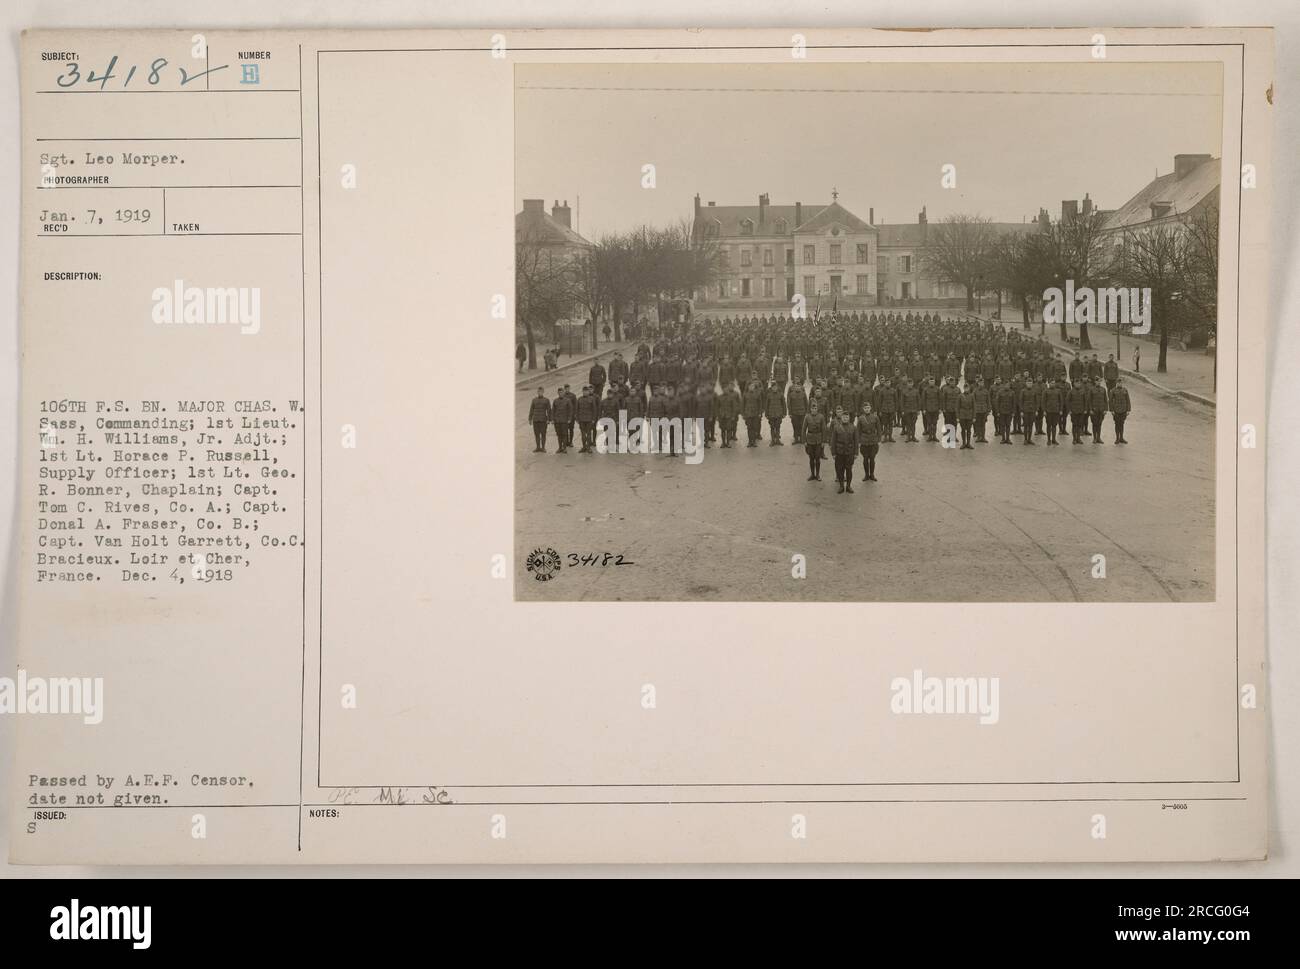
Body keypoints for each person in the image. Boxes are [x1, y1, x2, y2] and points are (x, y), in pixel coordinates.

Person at [830, 410, 860, 494]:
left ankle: (848, 486)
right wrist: (833, 453)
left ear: (849, 418)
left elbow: (856, 441)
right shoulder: (836, 427)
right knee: (840, 470)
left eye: (847, 417)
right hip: (839, 452)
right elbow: (833, 441)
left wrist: (856, 453)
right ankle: (841, 486)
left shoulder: (853, 427)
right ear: (841, 418)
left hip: (849, 452)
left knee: (849, 469)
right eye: (843, 417)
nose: (845, 418)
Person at [803, 402, 827, 481]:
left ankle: (817, 475)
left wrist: (823, 441)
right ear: (810, 409)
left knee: (817, 458)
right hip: (810, 440)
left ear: (817, 409)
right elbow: (803, 430)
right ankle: (812, 474)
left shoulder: (821, 417)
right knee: (811, 458)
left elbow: (824, 429)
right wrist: (804, 441)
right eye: (812, 408)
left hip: (818, 440)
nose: (814, 410)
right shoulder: (807, 417)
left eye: (815, 408)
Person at [857, 403, 881, 481]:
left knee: (872, 458)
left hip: (873, 440)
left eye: (868, 407)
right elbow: (858, 431)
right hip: (864, 440)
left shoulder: (875, 417)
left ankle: (872, 474)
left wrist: (879, 440)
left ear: (870, 408)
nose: (867, 409)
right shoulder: (860, 418)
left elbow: (879, 429)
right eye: (865, 408)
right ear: (863, 409)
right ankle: (866, 475)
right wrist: (859, 441)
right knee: (865, 458)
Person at [575, 384, 599, 453]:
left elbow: (594, 410)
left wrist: (594, 419)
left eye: (586, 391)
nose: (585, 392)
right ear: (582, 392)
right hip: (581, 419)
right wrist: (577, 418)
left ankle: (588, 447)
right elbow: (577, 409)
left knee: (588, 434)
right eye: (584, 391)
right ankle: (584, 447)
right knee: (583, 434)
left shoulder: (592, 399)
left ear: (588, 392)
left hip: (589, 419)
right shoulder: (579, 399)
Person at [742, 378, 765, 447]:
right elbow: (743, 405)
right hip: (748, 413)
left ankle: (754, 441)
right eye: (750, 386)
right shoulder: (745, 395)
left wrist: (760, 413)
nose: (751, 387)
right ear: (748, 387)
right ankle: (750, 441)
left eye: (752, 386)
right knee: (749, 428)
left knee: (755, 427)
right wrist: (743, 414)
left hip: (755, 413)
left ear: (754, 387)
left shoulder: (757, 394)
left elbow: (760, 404)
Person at [528, 387, 551, 452]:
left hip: (543, 420)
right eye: (538, 392)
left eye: (541, 391)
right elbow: (531, 410)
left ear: (543, 392)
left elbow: (549, 410)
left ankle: (543, 448)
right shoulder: (534, 400)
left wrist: (549, 419)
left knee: (543, 434)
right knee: (537, 434)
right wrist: (530, 419)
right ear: (537, 392)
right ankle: (538, 447)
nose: (540, 393)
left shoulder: (546, 400)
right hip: (535, 420)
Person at [1041, 378, 1063, 446]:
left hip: (1056, 411)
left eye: (1053, 383)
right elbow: (1043, 401)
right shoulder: (1046, 391)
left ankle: (1054, 439)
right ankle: (1048, 440)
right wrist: (1044, 410)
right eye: (1051, 383)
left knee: (1054, 426)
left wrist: (1061, 410)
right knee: (1048, 426)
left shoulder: (1058, 391)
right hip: (1048, 411)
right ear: (1049, 383)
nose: (1052, 384)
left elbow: (1061, 401)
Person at [552, 385, 574, 453]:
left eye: (561, 392)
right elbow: (553, 411)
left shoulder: (567, 400)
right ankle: (560, 447)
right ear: (558, 393)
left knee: (564, 434)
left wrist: (569, 418)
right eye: (559, 393)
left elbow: (570, 410)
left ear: (563, 393)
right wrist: (553, 419)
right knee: (559, 434)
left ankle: (564, 448)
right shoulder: (555, 401)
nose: (560, 394)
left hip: (564, 420)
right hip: (557, 421)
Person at [764, 379, 787, 445]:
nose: (774, 388)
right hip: (771, 414)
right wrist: (766, 414)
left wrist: (784, 413)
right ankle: (772, 440)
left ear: (777, 387)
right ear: (771, 388)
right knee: (772, 427)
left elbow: (784, 404)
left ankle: (777, 440)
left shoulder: (780, 394)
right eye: (773, 387)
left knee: (778, 427)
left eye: (775, 387)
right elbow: (766, 405)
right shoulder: (769, 395)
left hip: (779, 414)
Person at [1068, 379, 1089, 445]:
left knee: (1080, 425)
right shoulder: (1071, 392)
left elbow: (1085, 401)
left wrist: (1085, 409)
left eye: (1079, 383)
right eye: (1076, 383)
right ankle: (1074, 439)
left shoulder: (1083, 391)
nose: (1078, 384)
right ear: (1074, 384)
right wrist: (1069, 410)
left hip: (1081, 411)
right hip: (1074, 411)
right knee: (1074, 425)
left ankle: (1078, 438)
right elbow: (1067, 401)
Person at [1110, 377, 1132, 443]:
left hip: (1123, 410)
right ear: (1116, 383)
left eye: (1121, 383)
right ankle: (1117, 438)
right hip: (1116, 410)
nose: (1120, 384)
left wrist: (1128, 410)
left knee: (1122, 424)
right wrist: (1112, 410)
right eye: (1118, 383)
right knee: (1117, 424)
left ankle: (1121, 438)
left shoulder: (1125, 390)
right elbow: (1110, 401)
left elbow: (1128, 400)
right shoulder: (1113, 390)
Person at [1088, 376, 1108, 445]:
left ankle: (1099, 438)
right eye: (1097, 381)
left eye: (1099, 381)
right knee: (1094, 424)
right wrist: (1090, 409)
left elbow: (1105, 400)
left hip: (1101, 410)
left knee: (1099, 424)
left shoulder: (1103, 389)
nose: (1098, 382)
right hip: (1094, 410)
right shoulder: (1091, 389)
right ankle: (1094, 438)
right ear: (1095, 382)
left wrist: (1106, 409)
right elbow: (1089, 400)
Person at [787, 379, 808, 443]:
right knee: (795, 426)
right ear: (794, 387)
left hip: (802, 413)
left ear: (801, 387)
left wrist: (807, 412)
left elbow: (806, 403)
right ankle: (796, 439)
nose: (797, 388)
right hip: (794, 413)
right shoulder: (791, 394)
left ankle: (801, 438)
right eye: (796, 387)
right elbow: (789, 404)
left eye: (799, 387)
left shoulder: (803, 394)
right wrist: (790, 413)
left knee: (802, 426)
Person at [956, 383, 975, 449]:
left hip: (970, 415)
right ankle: (964, 443)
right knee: (963, 429)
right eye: (965, 388)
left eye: (967, 388)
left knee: (969, 429)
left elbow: (974, 407)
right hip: (962, 415)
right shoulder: (960, 396)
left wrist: (974, 417)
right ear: (963, 388)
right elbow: (957, 407)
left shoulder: (972, 396)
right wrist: (958, 417)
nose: (966, 389)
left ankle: (968, 443)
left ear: (969, 388)